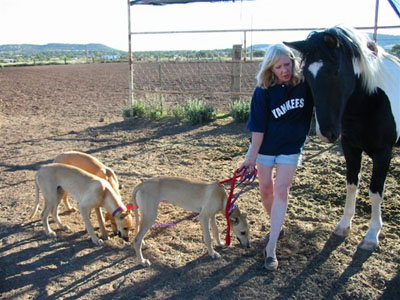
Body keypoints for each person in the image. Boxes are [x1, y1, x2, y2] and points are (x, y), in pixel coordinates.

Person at [240, 44, 313, 271]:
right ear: (271, 68)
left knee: (281, 190)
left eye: (287, 64)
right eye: (279, 66)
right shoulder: (263, 90)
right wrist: (251, 157)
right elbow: (258, 129)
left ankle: (271, 247)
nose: (284, 70)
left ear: (293, 61)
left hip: (291, 147)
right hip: (265, 147)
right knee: (265, 189)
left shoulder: (305, 85)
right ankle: (277, 225)